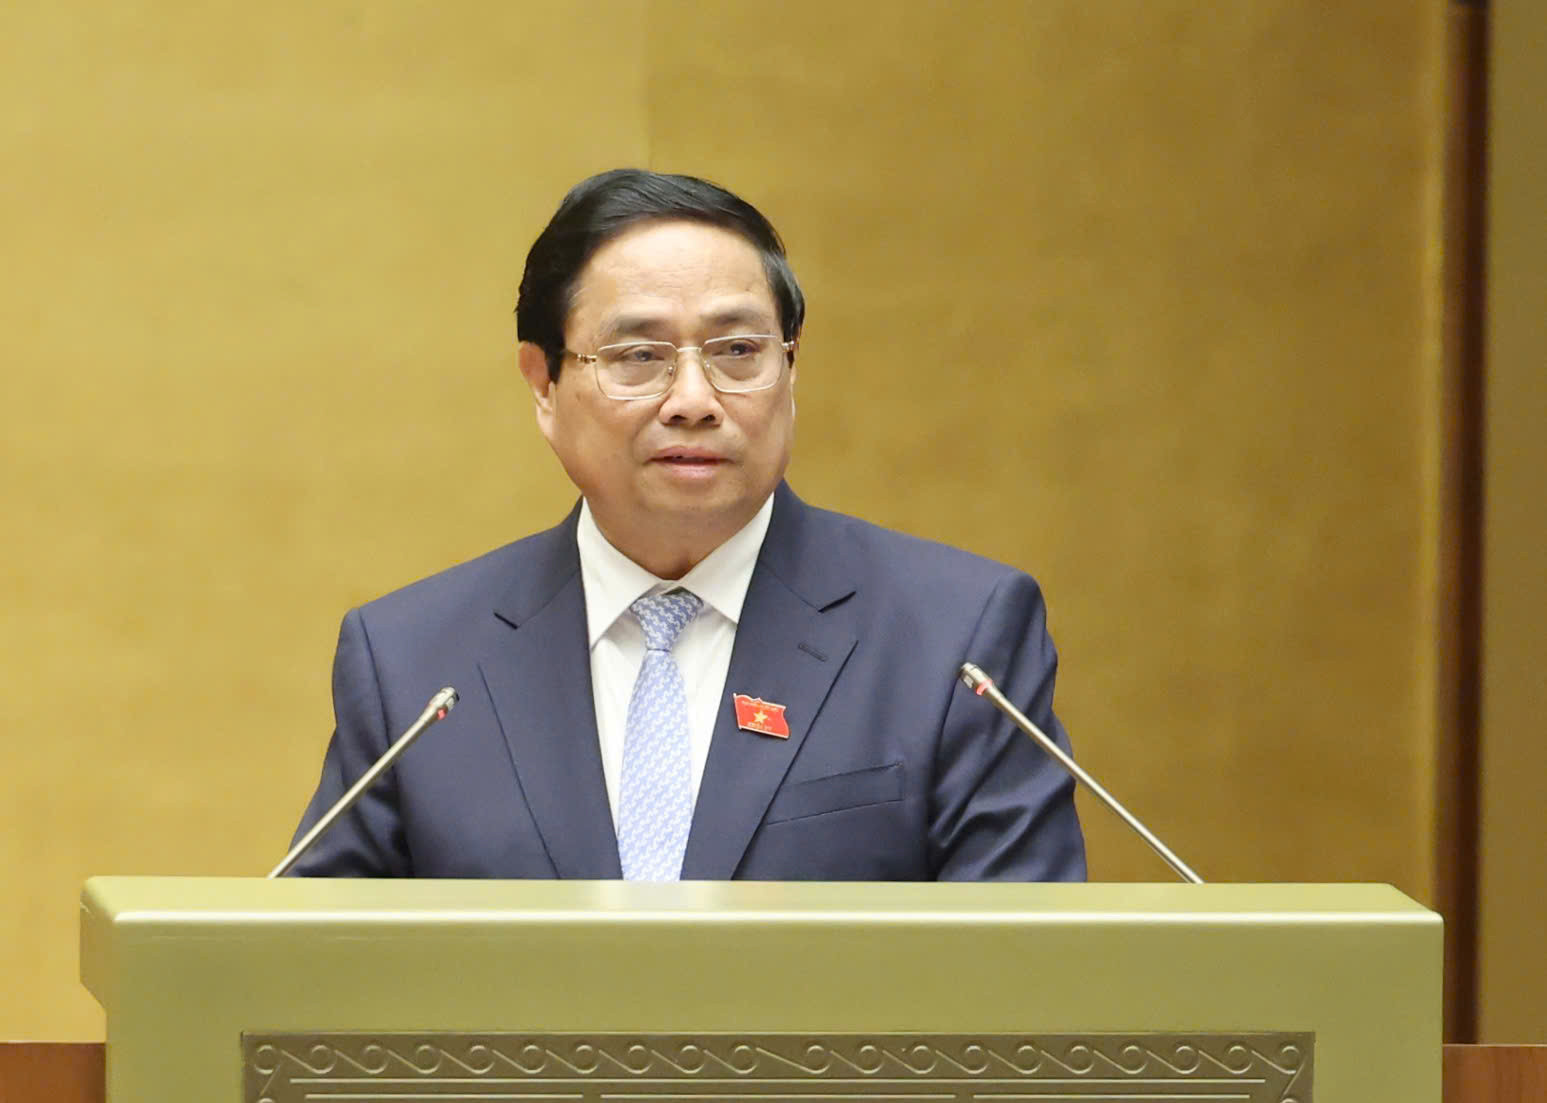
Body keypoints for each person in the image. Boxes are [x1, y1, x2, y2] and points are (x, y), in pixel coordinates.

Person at [287, 169, 1086, 881]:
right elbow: (316, 971)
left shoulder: (956, 640)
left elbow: (1024, 974)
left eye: (737, 350)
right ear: (543, 383)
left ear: (790, 368)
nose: (694, 400)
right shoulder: (415, 664)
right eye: (639, 356)